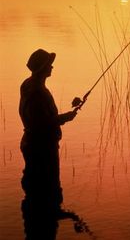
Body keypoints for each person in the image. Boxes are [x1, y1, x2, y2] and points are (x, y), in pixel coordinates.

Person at [19, 49, 77, 206]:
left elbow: (41, 120)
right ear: (42, 68)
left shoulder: (27, 84)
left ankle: (39, 217)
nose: (52, 68)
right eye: (49, 65)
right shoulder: (38, 92)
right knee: (48, 190)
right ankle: (46, 219)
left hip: (31, 143)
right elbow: (43, 123)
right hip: (42, 147)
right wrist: (66, 117)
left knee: (35, 185)